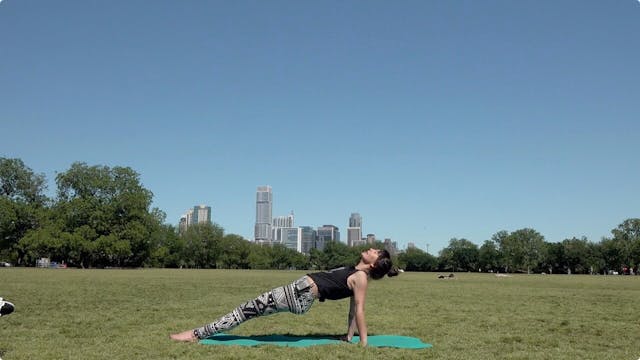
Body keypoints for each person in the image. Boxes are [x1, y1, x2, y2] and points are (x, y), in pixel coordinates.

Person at [170, 248, 398, 347]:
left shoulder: (360, 277)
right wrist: (349, 337)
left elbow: (358, 310)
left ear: (374, 263)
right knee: (246, 310)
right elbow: (351, 311)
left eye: (375, 252)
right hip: (297, 293)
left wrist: (363, 342)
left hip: (298, 295)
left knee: (244, 311)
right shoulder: (354, 270)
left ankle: (195, 334)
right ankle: (198, 333)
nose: (371, 248)